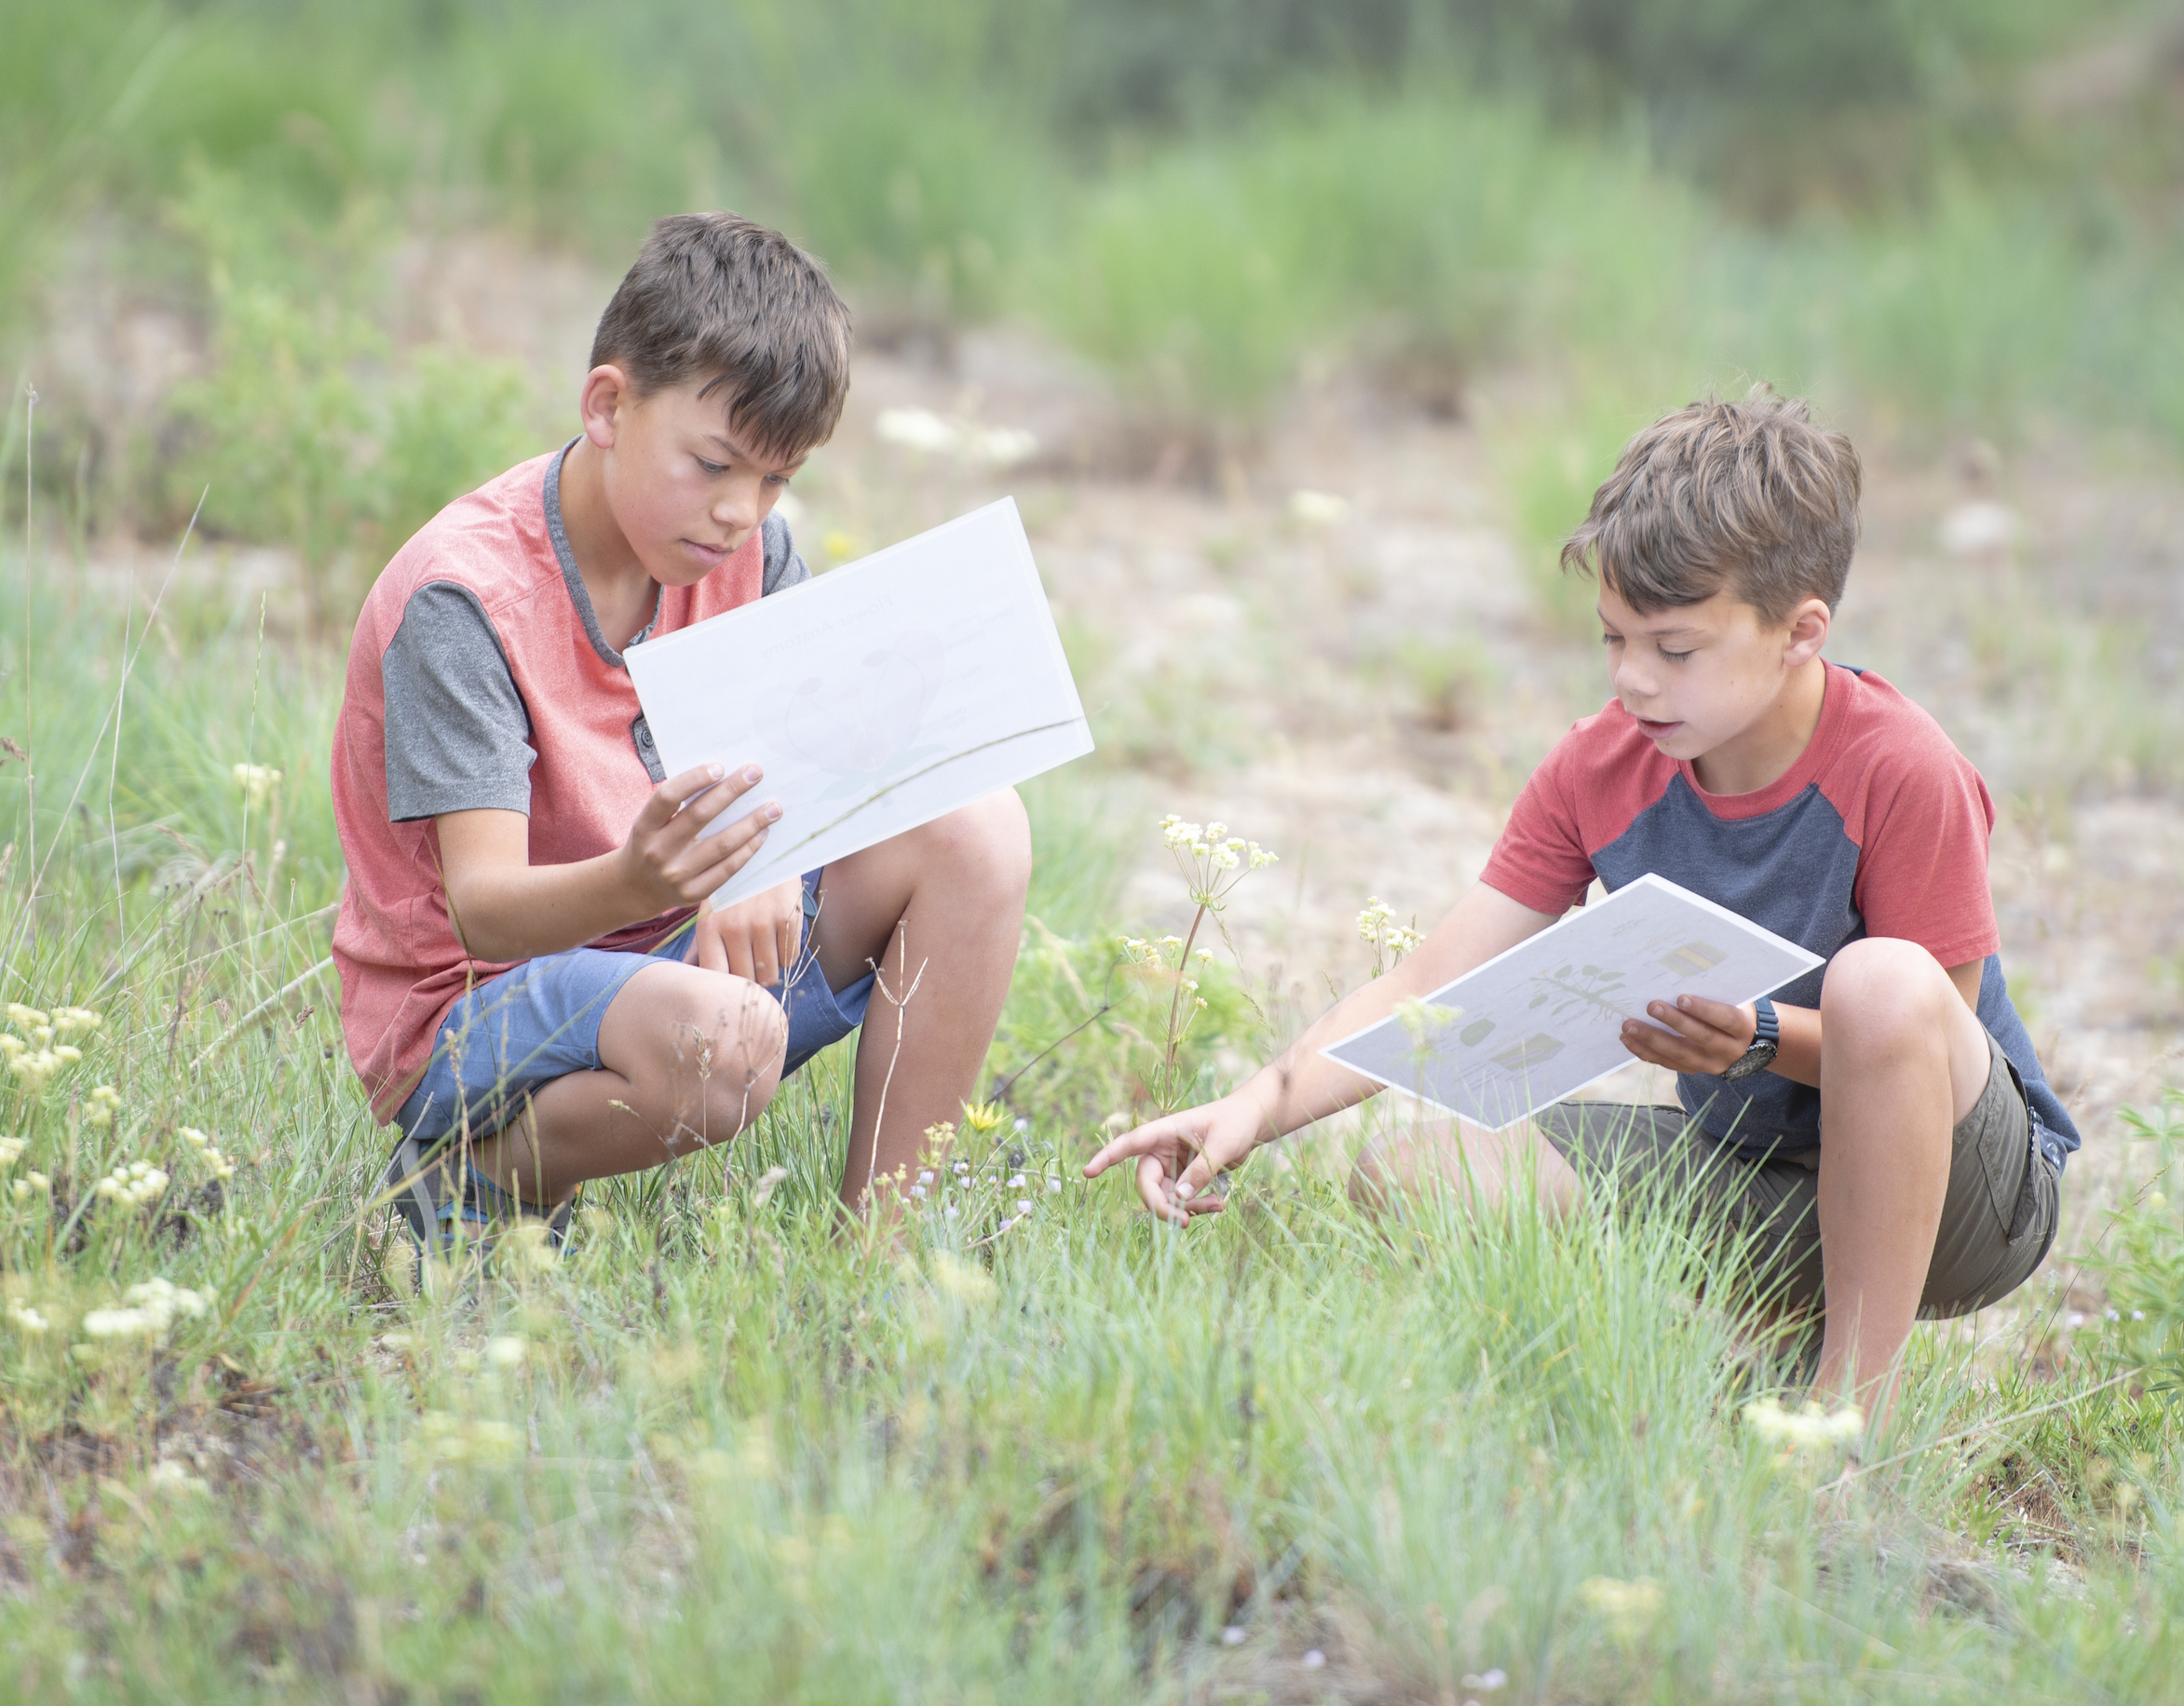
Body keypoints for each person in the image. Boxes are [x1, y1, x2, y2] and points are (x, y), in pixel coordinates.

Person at [1087, 393, 2074, 1403]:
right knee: (1415, 1175)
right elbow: (1429, 984)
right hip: (1754, 1168)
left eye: (1674, 649)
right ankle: (1702, 1367)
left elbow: (1924, 1040)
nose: (1634, 679)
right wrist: (1251, 1107)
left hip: (1966, 1201)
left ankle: (1849, 1420)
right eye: (1613, 639)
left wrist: (1760, 1039)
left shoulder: (1901, 768)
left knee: (1881, 982)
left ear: (1800, 631)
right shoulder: (1599, 765)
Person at [329, 212, 1030, 1242]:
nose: (742, 512)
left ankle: (885, 1258)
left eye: (776, 479)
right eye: (713, 466)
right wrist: (647, 882)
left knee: (978, 824)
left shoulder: (748, 556)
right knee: (726, 1045)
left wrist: (769, 857)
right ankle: (465, 1179)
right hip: (473, 1006)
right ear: (608, 406)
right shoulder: (466, 599)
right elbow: (482, 916)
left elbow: (808, 769)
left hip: (661, 949)